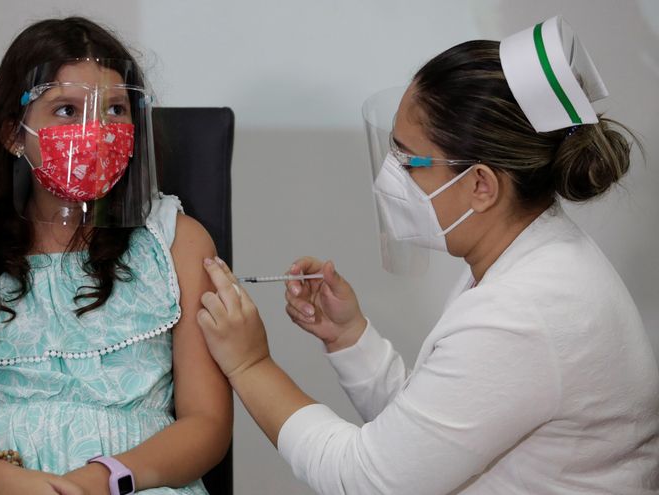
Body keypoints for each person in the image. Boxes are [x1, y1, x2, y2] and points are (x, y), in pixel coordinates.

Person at [196, 16, 659, 494]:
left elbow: (367, 479)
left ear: (481, 185)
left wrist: (250, 364)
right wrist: (349, 336)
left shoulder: (523, 313)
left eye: (408, 160)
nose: (390, 178)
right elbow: (430, 438)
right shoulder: (530, 257)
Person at [0, 17, 232, 495]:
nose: (95, 131)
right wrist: (2, 479)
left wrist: (106, 477)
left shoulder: (174, 243)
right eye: (66, 110)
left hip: (138, 482)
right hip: (1, 480)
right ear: (14, 134)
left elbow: (207, 422)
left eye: (115, 109)